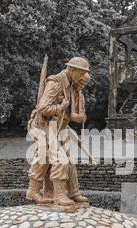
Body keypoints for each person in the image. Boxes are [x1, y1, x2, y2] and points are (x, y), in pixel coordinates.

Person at [26, 57, 90, 207]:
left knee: (67, 159)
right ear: (72, 70)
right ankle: (59, 195)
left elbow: (73, 115)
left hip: (57, 127)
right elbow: (43, 108)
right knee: (59, 158)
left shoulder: (71, 86)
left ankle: (73, 193)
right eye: (81, 74)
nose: (82, 77)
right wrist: (61, 107)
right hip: (43, 126)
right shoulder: (56, 83)